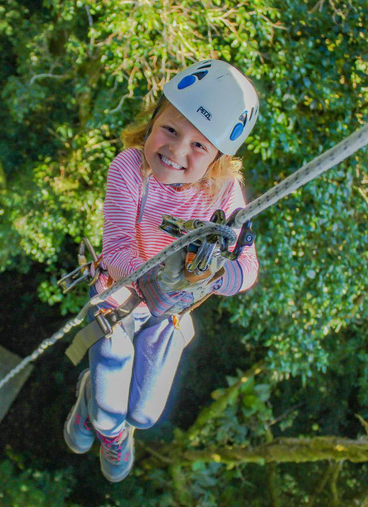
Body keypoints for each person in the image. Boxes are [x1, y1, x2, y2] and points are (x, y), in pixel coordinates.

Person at [63, 59, 260, 483]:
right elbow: (116, 251)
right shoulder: (131, 169)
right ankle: (105, 425)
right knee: (109, 407)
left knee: (144, 413)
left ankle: (99, 410)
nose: (176, 150)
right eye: (171, 130)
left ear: (218, 159)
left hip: (170, 308)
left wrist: (214, 278)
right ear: (153, 121)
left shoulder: (225, 193)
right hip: (119, 296)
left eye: (198, 146)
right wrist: (159, 278)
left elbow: (247, 267)